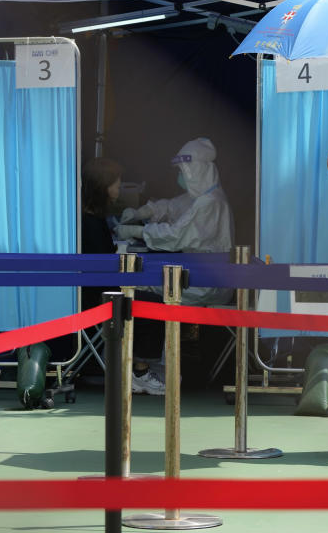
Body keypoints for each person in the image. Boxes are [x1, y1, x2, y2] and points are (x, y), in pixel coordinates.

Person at [80, 157, 165, 395]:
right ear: (103, 187)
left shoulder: (85, 219)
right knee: (154, 304)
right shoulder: (93, 223)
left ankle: (138, 366)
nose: (119, 188)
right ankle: (139, 370)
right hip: (99, 296)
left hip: (92, 291)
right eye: (116, 184)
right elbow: (106, 271)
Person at [115, 137, 234, 306]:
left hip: (206, 284)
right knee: (145, 277)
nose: (179, 176)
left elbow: (175, 235)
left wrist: (137, 231)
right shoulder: (201, 197)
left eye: (182, 171)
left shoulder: (210, 203)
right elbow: (171, 206)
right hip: (199, 273)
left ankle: (141, 329)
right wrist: (140, 213)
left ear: (194, 171)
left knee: (140, 281)